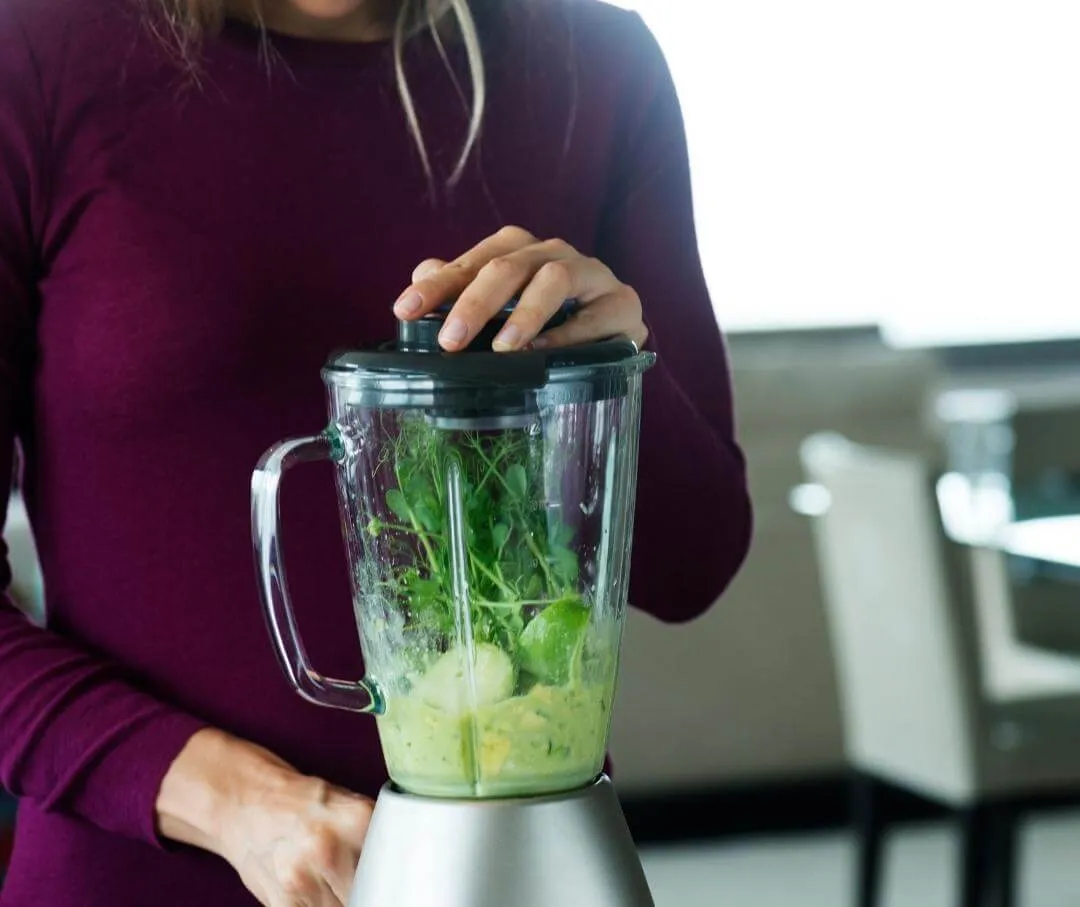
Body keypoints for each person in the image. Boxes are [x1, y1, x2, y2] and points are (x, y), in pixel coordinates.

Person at [0, 0, 753, 904]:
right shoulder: (36, 53)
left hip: (517, 874)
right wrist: (238, 804)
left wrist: (614, 373)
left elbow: (692, 566)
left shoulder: (598, 65)